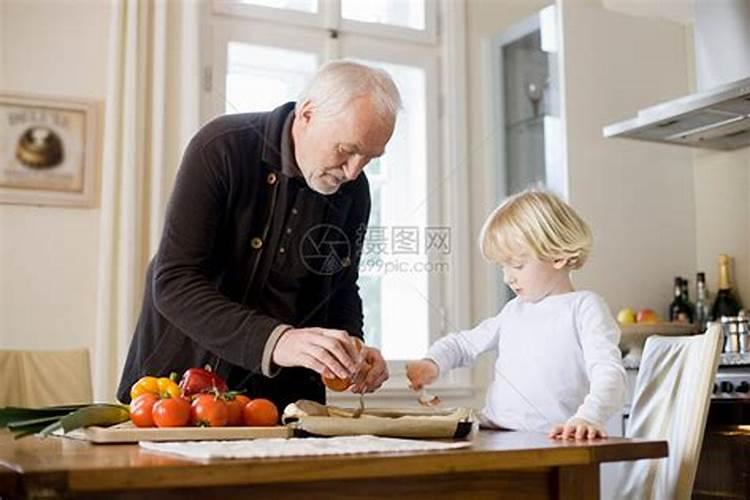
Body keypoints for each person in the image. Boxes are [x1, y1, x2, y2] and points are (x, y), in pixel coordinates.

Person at [116, 61, 400, 411]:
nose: (354, 171)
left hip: (285, 404)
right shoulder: (220, 147)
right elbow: (174, 281)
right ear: (307, 114)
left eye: (370, 157)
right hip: (175, 394)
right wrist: (278, 341)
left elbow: (340, 287)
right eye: (346, 149)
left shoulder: (355, 192)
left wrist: (351, 349)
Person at [407, 189, 626, 440]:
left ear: (558, 256)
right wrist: (433, 363)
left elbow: (609, 374)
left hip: (555, 439)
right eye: (503, 266)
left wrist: (588, 417)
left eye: (517, 265)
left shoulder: (584, 308)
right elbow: (463, 344)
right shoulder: (513, 310)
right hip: (495, 433)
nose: (507, 277)